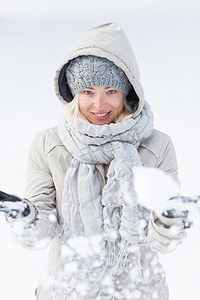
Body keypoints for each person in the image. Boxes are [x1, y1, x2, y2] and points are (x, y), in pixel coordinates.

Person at [0, 23, 188, 300]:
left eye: (111, 91)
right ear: (74, 94)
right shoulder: (49, 144)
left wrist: (169, 220)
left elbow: (160, 242)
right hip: (69, 291)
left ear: (128, 92)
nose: (99, 105)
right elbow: (41, 233)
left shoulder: (156, 145)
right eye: (88, 92)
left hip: (137, 291)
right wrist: (25, 217)